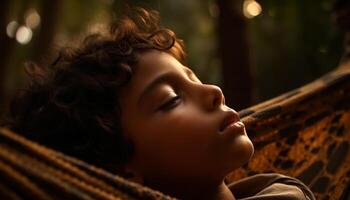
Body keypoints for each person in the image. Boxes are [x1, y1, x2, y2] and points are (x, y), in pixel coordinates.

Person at [6, 7, 315, 200]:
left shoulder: (283, 190)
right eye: (171, 100)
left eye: (195, 78)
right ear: (121, 173)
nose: (213, 92)